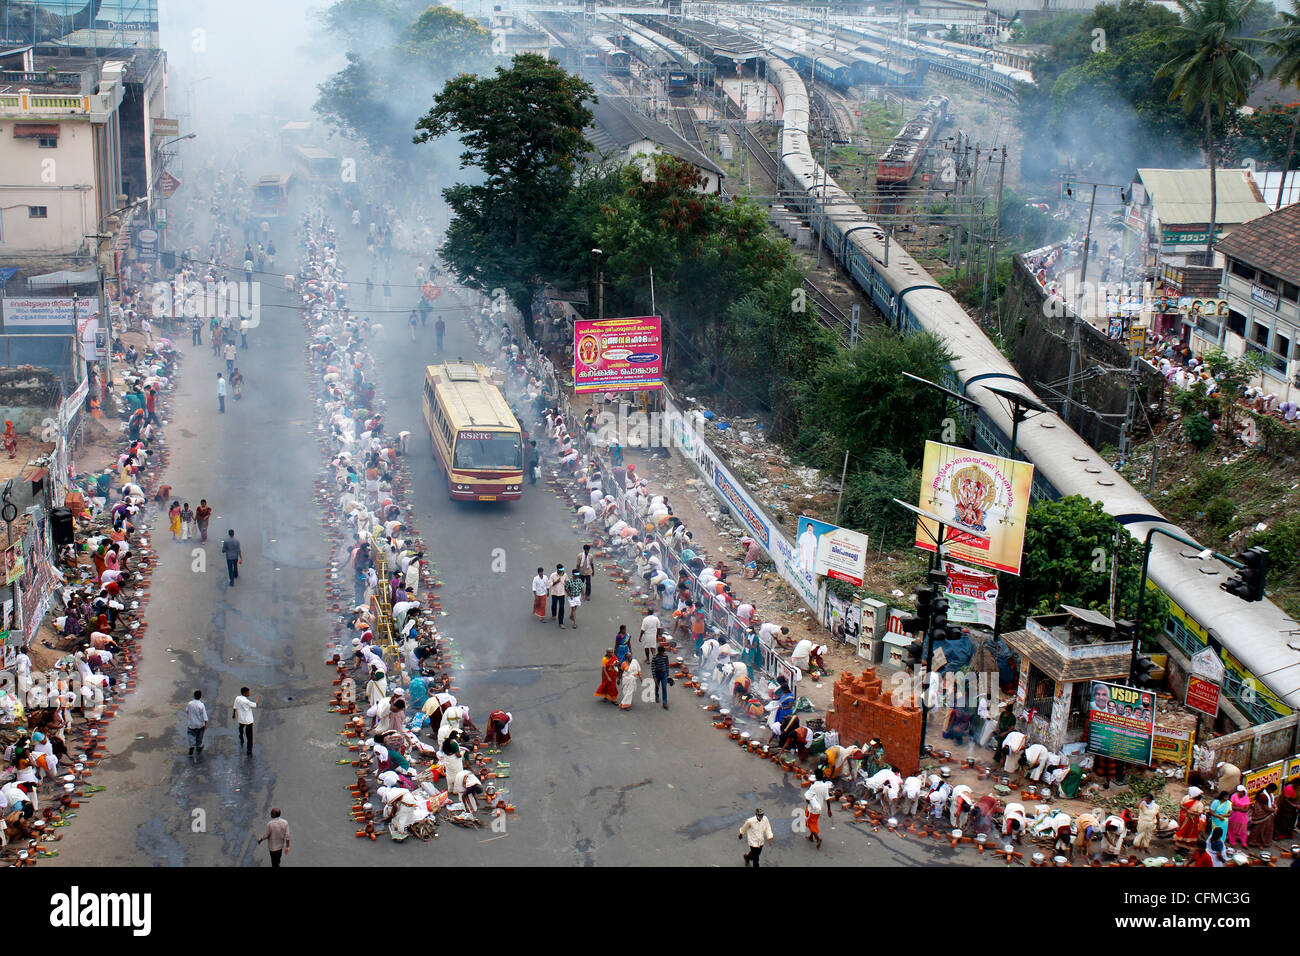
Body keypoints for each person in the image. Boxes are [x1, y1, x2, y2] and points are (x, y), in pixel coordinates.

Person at [804, 776, 833, 849]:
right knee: (814, 822)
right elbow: (827, 799)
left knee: (809, 823)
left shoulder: (813, 788)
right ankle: (811, 837)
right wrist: (829, 810)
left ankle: (817, 838)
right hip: (819, 810)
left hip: (812, 809)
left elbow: (808, 799)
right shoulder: (824, 788)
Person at [233, 687, 258, 756]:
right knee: (249, 735)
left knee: (241, 727)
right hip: (248, 720)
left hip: (241, 718)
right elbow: (255, 705)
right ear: (245, 693)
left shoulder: (237, 698)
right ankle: (249, 749)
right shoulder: (246, 701)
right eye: (248, 692)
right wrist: (258, 699)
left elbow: (235, 707)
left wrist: (234, 714)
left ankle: (241, 737)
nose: (249, 693)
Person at [185, 690, 208, 755]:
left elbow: (187, 711)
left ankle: (191, 746)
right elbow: (205, 716)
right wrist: (206, 724)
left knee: (191, 735)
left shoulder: (190, 704)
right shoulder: (201, 705)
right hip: (200, 725)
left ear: (194, 696)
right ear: (200, 697)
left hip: (191, 724)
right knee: (199, 737)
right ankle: (198, 746)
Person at [651, 644, 670, 709]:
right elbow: (653, 667)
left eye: (663, 652)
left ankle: (665, 702)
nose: (662, 653)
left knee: (664, 687)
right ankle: (657, 696)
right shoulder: (654, 657)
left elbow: (667, 665)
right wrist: (654, 677)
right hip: (657, 673)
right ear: (658, 652)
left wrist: (668, 674)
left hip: (664, 673)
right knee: (657, 686)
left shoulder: (665, 656)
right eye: (661, 652)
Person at [548, 564, 567, 629]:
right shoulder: (552, 575)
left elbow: (567, 582)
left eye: (562, 570)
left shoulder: (565, 575)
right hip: (554, 593)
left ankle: (561, 622)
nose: (562, 572)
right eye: (560, 570)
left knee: (561, 608)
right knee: (554, 604)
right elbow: (550, 584)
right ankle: (554, 614)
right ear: (557, 570)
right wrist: (556, 582)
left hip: (562, 593)